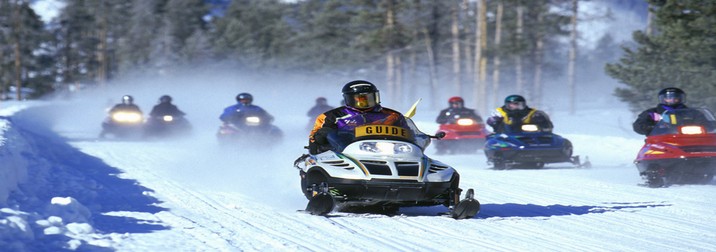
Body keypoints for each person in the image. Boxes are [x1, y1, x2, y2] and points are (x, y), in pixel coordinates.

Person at [308, 80, 409, 154]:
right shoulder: (331, 116)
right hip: (347, 153)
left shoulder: (392, 115)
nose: (364, 102)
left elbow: (409, 135)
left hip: (388, 152)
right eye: (360, 99)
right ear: (349, 99)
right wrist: (321, 137)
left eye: (369, 98)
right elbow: (314, 138)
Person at [486, 95, 553, 133]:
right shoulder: (500, 112)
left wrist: (541, 124)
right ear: (507, 105)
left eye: (518, 104)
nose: (515, 106)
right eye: (512, 105)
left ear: (524, 104)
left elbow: (547, 125)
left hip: (529, 136)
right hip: (505, 136)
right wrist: (495, 124)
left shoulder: (532, 113)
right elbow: (490, 122)